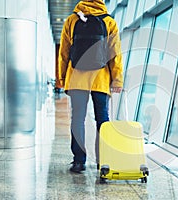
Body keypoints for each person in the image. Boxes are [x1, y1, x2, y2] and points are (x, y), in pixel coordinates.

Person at [58, 0, 123, 173]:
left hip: (77, 78)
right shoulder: (109, 21)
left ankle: (79, 161)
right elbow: (114, 54)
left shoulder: (72, 20)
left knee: (78, 119)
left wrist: (62, 77)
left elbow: (64, 52)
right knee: (102, 118)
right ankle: (103, 161)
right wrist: (117, 80)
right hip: (100, 78)